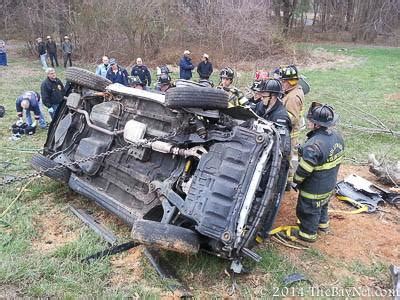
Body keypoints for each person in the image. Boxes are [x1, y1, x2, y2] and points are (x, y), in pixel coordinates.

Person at [292, 102, 344, 242]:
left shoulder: (314, 146)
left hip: (314, 189)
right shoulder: (337, 137)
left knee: (308, 211)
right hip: (329, 185)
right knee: (322, 206)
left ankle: (307, 234)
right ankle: (323, 225)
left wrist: (295, 180)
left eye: (311, 120)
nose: (308, 122)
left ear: (317, 124)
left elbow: (304, 170)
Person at [254, 79, 292, 240]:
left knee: (270, 195)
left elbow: (281, 148)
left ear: (274, 96)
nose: (261, 97)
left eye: (265, 94)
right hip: (260, 157)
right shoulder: (262, 106)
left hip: (276, 162)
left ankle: (262, 232)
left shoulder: (281, 117)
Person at [280, 65, 305, 188]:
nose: (282, 83)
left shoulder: (293, 97)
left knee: (286, 158)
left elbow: (292, 118)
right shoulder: (292, 92)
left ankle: (287, 184)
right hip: (290, 133)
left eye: (284, 81)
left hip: (290, 134)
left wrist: (278, 117)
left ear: (291, 82)